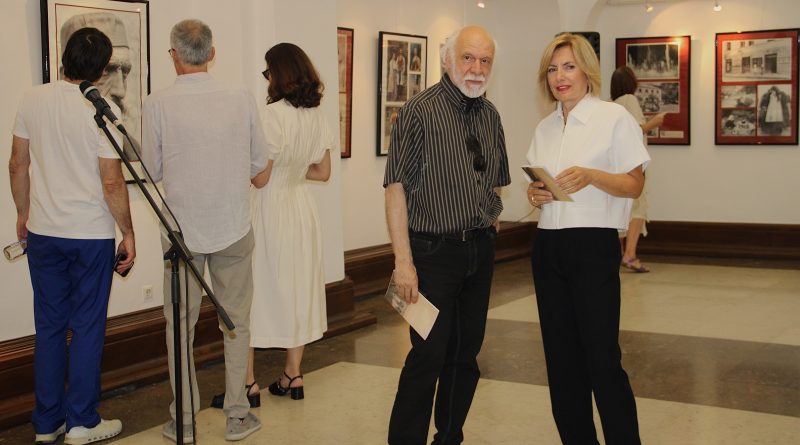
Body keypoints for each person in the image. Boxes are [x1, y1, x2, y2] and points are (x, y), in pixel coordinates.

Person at [140, 19, 267, 443]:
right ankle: (237, 415)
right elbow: (259, 166)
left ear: (174, 56)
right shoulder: (241, 98)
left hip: (182, 233)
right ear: (212, 54)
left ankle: (184, 420)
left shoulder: (157, 103)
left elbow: (151, 169)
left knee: (179, 325)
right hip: (233, 224)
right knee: (236, 322)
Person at [383, 25, 510, 445]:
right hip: (431, 255)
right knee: (427, 356)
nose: (477, 68)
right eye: (468, 57)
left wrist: (490, 221)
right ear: (447, 60)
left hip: (479, 252)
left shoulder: (491, 116)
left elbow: (495, 182)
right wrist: (403, 263)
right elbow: (395, 189)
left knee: (465, 356)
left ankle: (449, 437)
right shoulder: (419, 111)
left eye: (485, 60)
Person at [9, 27, 135, 445]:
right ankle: (81, 421)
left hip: (44, 232)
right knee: (86, 327)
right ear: (100, 70)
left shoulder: (32, 98)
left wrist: (23, 213)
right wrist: (128, 232)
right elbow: (112, 182)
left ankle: (47, 424)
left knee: (48, 327)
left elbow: (17, 164)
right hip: (89, 236)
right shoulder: (101, 110)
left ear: (64, 57)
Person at [526, 33, 649, 445]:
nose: (559, 77)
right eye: (552, 69)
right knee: (561, 364)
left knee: (602, 360)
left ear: (587, 71)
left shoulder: (613, 118)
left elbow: (634, 184)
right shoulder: (544, 127)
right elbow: (537, 185)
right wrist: (535, 193)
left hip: (593, 246)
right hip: (548, 247)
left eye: (568, 67)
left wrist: (592, 175)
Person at [209, 42, 333, 409]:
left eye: (268, 72)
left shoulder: (271, 115)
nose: (266, 79)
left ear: (279, 74)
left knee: (251, 291)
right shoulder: (317, 115)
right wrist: (292, 171)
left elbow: (260, 178)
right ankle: (292, 374)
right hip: (301, 209)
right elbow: (322, 172)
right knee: (298, 288)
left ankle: (247, 382)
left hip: (268, 211)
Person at [60, 13, 140, 161]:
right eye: (107, 71)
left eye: (125, 72)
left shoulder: (133, 148)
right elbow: (110, 175)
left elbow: (18, 164)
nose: (120, 91)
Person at [610, 66, 666, 273]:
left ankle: (619, 254)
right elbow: (635, 130)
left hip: (617, 166)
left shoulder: (612, 104)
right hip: (633, 166)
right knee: (639, 209)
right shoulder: (629, 100)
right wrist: (654, 122)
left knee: (621, 209)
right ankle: (630, 255)